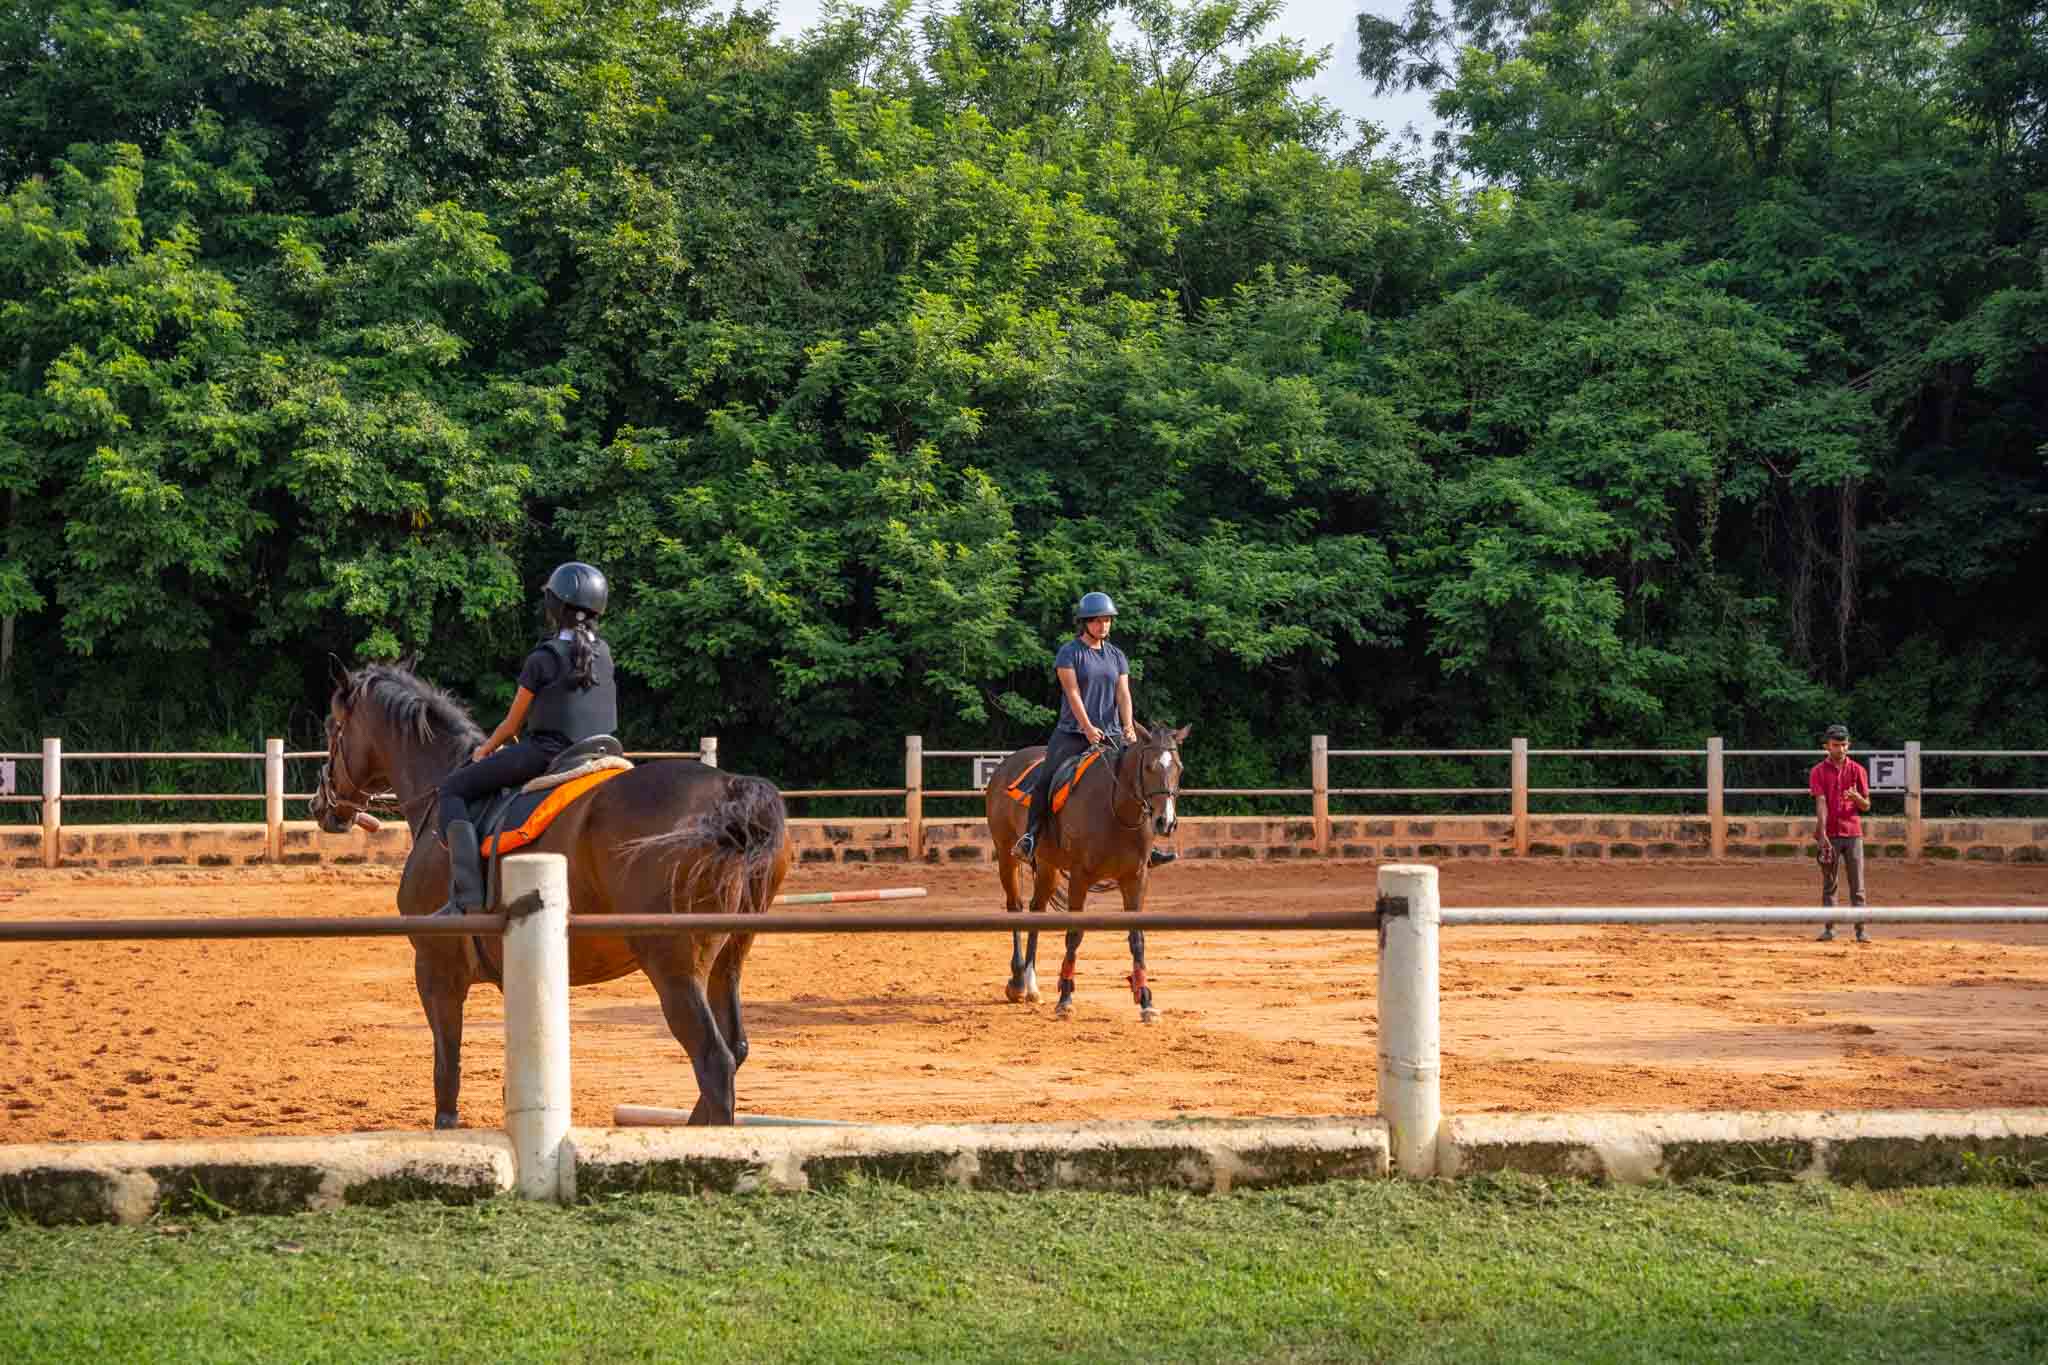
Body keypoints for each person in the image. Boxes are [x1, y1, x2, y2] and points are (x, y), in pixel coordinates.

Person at [431, 561, 617, 916]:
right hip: (600, 751)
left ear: (555, 606)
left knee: (453, 789)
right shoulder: (604, 654)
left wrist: (484, 750)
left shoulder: (543, 657)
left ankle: (465, 898)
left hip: (549, 753)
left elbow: (512, 726)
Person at [1011, 591, 1175, 867]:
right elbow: (1073, 693)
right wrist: (1086, 727)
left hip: (1112, 733)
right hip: (1072, 733)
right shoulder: (1069, 653)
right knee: (1046, 779)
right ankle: (1030, 838)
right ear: (1084, 622)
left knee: (1138, 781)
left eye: (1107, 621)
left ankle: (1147, 848)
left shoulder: (1117, 656)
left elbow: (1123, 694)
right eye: (1097, 621)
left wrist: (1128, 727)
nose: (1103, 626)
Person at [1810, 722, 1872, 943]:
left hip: (1853, 833)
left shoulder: (1858, 770)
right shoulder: (1817, 771)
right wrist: (1822, 831)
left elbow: (1866, 806)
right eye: (1836, 745)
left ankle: (1861, 930)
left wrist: (1857, 798)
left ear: (1849, 744)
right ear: (1826, 746)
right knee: (1830, 883)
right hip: (1832, 834)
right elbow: (1821, 802)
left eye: (1844, 744)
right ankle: (1830, 929)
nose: (1841, 749)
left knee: (1858, 885)